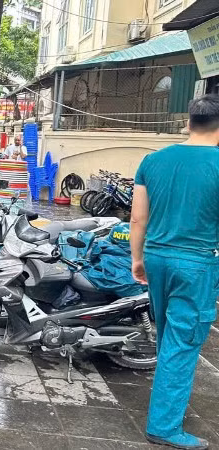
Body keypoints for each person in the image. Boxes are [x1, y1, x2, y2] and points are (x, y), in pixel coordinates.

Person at [130, 94, 219, 450]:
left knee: (169, 335)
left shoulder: (152, 160)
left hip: (156, 257)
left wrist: (136, 259)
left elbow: (137, 218)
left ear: (188, 122)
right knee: (183, 341)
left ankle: (166, 405)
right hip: (197, 264)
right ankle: (164, 426)